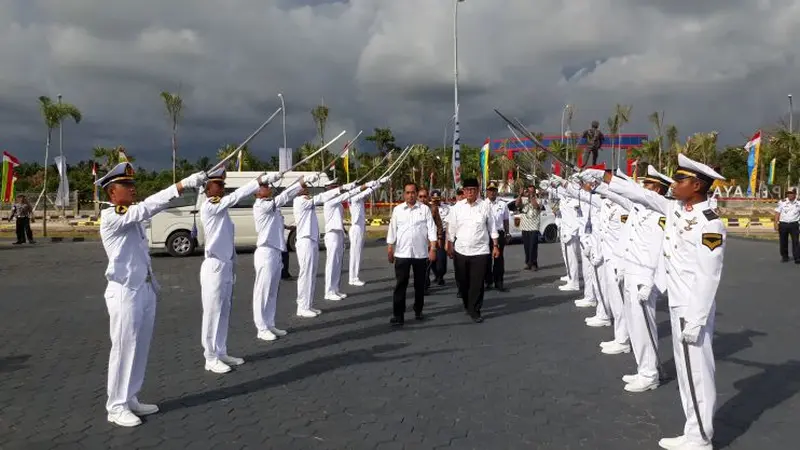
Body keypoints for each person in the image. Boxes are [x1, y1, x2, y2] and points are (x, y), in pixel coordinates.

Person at [604, 154, 726, 450]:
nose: (674, 184)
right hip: (677, 305)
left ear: (696, 185)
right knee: (685, 373)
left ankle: (700, 437)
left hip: (691, 309)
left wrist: (696, 320)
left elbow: (709, 277)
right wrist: (606, 180)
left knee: (696, 373)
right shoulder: (676, 210)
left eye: (680, 180)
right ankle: (693, 429)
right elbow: (642, 194)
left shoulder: (709, 224)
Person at [96, 162, 205, 427]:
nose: (133, 190)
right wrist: (181, 185)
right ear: (112, 192)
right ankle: (116, 405)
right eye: (127, 186)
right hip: (124, 291)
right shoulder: (112, 216)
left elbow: (148, 209)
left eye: (133, 185)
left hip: (143, 288)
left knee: (139, 346)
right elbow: (147, 207)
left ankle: (130, 397)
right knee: (123, 348)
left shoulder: (129, 215)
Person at [199, 167, 276, 374]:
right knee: (213, 312)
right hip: (213, 266)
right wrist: (257, 182)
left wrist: (233, 264)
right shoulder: (209, 206)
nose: (222, 189)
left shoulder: (221, 211)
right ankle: (210, 356)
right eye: (218, 185)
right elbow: (235, 197)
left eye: (223, 185)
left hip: (225, 266)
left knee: (224, 311)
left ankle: (221, 351)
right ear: (207, 189)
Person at [252, 174, 315, 342]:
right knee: (262, 292)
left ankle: (270, 323)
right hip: (265, 252)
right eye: (265, 186)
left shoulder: (271, 206)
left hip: (275, 252)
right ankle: (261, 327)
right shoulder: (261, 206)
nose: (269, 187)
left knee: (272, 292)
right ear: (257, 192)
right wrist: (300, 183)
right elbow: (284, 197)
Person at [293, 178, 354, 317]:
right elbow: (322, 197)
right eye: (303, 187)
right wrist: (344, 188)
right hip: (305, 241)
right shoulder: (301, 201)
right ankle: (302, 306)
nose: (306, 188)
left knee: (311, 274)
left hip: (312, 240)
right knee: (306, 274)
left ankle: (307, 304)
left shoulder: (307, 201)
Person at [447, 178, 500, 323]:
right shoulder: (457, 207)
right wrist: (449, 244)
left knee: (477, 282)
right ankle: (467, 303)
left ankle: (475, 309)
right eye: (467, 190)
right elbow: (451, 228)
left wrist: (495, 245)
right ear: (463, 191)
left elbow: (492, 227)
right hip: (461, 250)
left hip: (481, 251)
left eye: (473, 190)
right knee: (462, 281)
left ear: (477, 191)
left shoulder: (485, 206)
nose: (470, 192)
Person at [386, 182, 438, 326]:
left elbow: (432, 230)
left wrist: (433, 249)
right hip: (402, 253)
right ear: (404, 194)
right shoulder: (398, 210)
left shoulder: (425, 210)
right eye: (407, 192)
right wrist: (390, 248)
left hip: (420, 254)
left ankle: (418, 309)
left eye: (413, 192)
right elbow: (392, 230)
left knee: (419, 285)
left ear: (416, 193)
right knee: (400, 284)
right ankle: (398, 315)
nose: (410, 195)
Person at [322, 179, 359, 301]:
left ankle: (335, 289)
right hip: (332, 234)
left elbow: (338, 218)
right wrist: (353, 188)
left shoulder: (337, 203)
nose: (336, 190)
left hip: (338, 233)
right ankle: (328, 291)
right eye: (334, 188)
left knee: (338, 263)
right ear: (329, 189)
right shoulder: (329, 201)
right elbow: (345, 195)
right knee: (331, 264)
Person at [348, 177, 387, 286]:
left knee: (358, 254)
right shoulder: (354, 197)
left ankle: (355, 276)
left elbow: (366, 193)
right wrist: (377, 183)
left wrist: (378, 183)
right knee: (355, 254)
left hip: (360, 227)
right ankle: (353, 278)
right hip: (356, 228)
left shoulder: (358, 199)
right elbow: (366, 192)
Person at [484, 182, 510, 291]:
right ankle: (488, 281)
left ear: (496, 192)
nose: (492, 192)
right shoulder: (482, 204)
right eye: (490, 190)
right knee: (486, 259)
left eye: (494, 190)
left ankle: (499, 282)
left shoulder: (502, 204)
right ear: (487, 192)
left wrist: (507, 233)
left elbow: (506, 220)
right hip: (486, 234)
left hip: (499, 233)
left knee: (498, 259)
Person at [515, 186, 541, 270]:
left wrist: (531, 196)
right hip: (525, 227)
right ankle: (527, 262)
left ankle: (534, 263)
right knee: (526, 246)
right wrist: (520, 194)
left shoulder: (538, 200)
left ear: (534, 192)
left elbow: (536, 206)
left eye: (531, 191)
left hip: (534, 226)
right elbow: (517, 204)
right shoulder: (523, 200)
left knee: (533, 246)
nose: (529, 192)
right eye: (528, 191)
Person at [774, 188, 800, 263]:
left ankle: (797, 257)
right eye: (788, 193)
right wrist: (776, 223)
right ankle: (784, 256)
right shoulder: (782, 202)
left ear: (795, 194)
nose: (789, 194)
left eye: (791, 193)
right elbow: (777, 213)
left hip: (794, 224)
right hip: (783, 224)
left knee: (795, 241)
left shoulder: (798, 203)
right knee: (783, 241)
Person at [430, 190, 448, 285]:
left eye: (438, 199)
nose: (436, 201)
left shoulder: (447, 208)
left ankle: (441, 275)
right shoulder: (427, 208)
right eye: (434, 199)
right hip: (431, 235)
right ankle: (436, 274)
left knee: (441, 257)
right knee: (432, 257)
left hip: (443, 234)